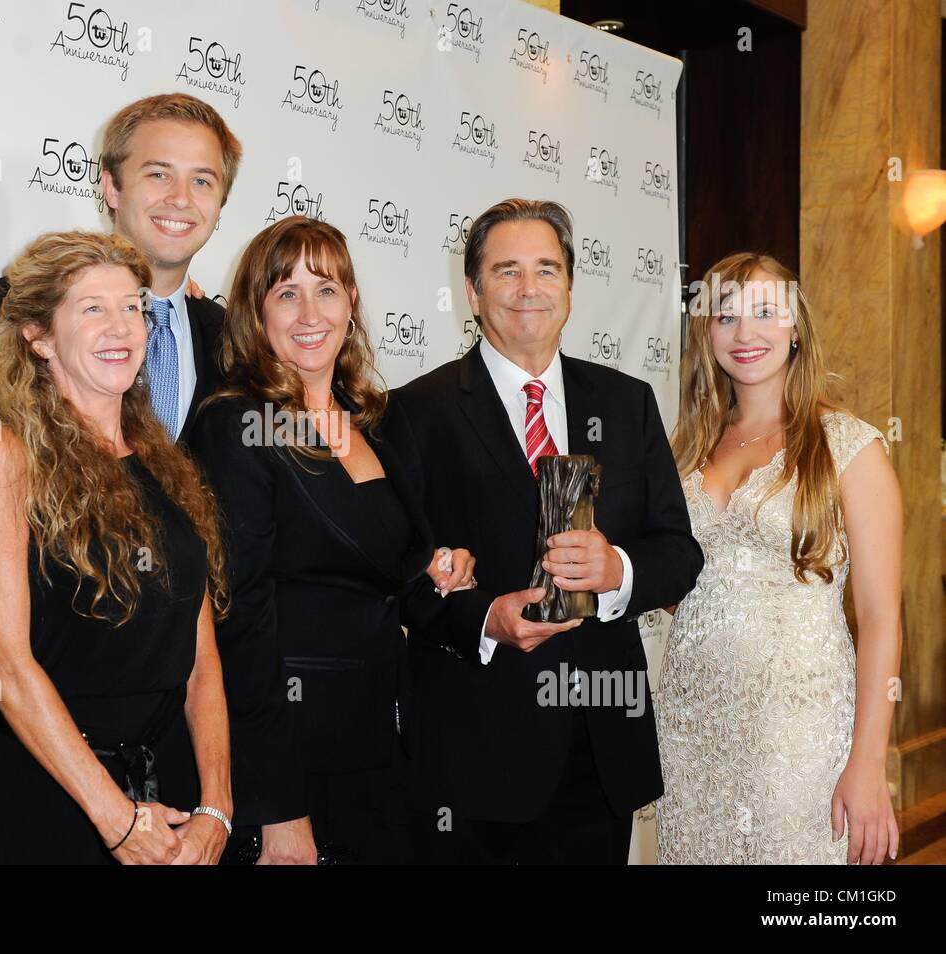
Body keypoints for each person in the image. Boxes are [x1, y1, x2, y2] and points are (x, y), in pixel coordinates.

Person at [391, 198, 704, 864]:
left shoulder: (626, 403)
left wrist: (618, 570)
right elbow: (404, 576)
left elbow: (678, 552)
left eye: (546, 269)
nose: (528, 289)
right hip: (475, 756)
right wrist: (484, 620)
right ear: (472, 291)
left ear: (568, 287)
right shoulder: (416, 413)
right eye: (506, 271)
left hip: (598, 752)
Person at [189, 217, 480, 864]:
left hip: (384, 745)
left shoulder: (373, 419)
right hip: (294, 753)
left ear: (352, 302)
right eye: (286, 293)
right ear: (254, 313)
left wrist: (436, 575)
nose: (309, 311)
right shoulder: (240, 424)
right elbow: (240, 624)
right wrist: (278, 807)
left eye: (327, 288)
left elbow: (391, 581)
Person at [0, 231, 232, 864]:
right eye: (92, 309)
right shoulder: (3, 458)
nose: (122, 327)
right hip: (54, 799)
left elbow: (202, 659)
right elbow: (2, 667)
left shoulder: (166, 460)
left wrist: (216, 805)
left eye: (132, 306)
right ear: (40, 337)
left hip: (173, 801)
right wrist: (116, 820)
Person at [656, 252, 902, 865]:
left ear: (797, 328)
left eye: (767, 313)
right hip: (692, 729)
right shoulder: (682, 449)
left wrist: (868, 763)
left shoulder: (850, 446)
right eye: (726, 316)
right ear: (704, 331)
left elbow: (878, 616)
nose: (746, 334)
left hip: (801, 734)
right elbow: (672, 585)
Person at [0, 93, 241, 443]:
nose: (181, 198)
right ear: (112, 189)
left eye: (201, 181)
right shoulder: (8, 310)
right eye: (158, 174)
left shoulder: (230, 341)